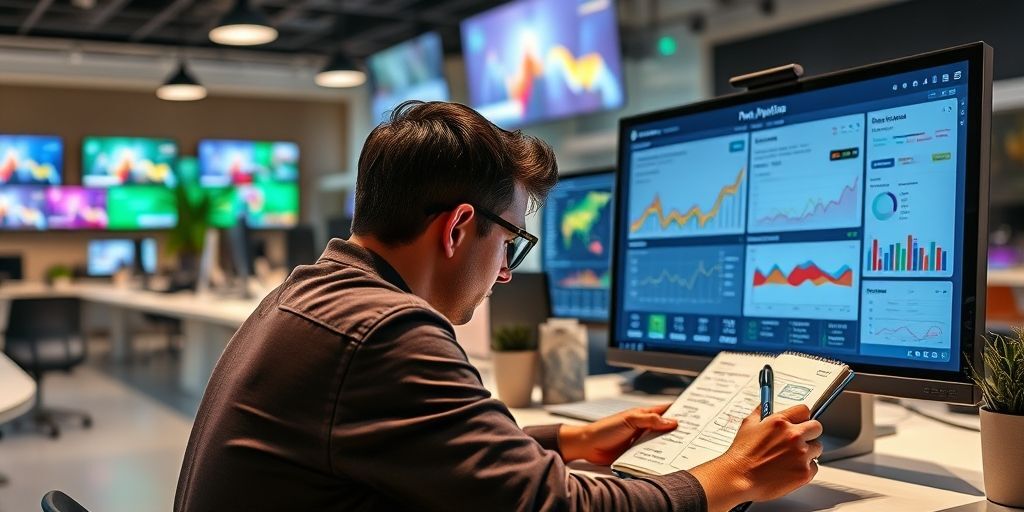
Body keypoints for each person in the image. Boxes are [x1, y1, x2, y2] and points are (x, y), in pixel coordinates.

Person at [174, 101, 822, 512]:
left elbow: (424, 448)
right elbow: (553, 508)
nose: (506, 271)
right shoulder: (387, 331)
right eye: (510, 242)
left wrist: (568, 439)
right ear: (459, 228)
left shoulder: (311, 294)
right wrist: (735, 474)